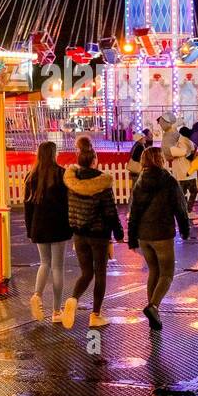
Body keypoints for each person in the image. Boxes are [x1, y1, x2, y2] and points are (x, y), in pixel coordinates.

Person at [62, 136, 123, 330]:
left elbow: (70, 208)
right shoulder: (102, 183)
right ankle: (95, 314)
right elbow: (110, 211)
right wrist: (119, 232)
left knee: (86, 272)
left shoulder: (72, 183)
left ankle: (73, 298)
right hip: (99, 235)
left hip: (79, 234)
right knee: (100, 273)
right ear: (94, 160)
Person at [127, 146, 191, 331]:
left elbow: (135, 212)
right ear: (160, 160)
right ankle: (153, 307)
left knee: (153, 271)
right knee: (167, 274)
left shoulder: (140, 181)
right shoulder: (169, 180)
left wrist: (132, 238)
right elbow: (181, 207)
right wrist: (185, 230)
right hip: (162, 234)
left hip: (144, 236)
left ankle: (153, 312)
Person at [23, 141, 71, 323]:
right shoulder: (62, 174)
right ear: (53, 154)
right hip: (58, 226)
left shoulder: (31, 176)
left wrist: (30, 230)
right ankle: (56, 311)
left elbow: (27, 207)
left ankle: (37, 295)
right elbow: (68, 203)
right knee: (58, 267)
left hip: (39, 226)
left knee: (45, 263)